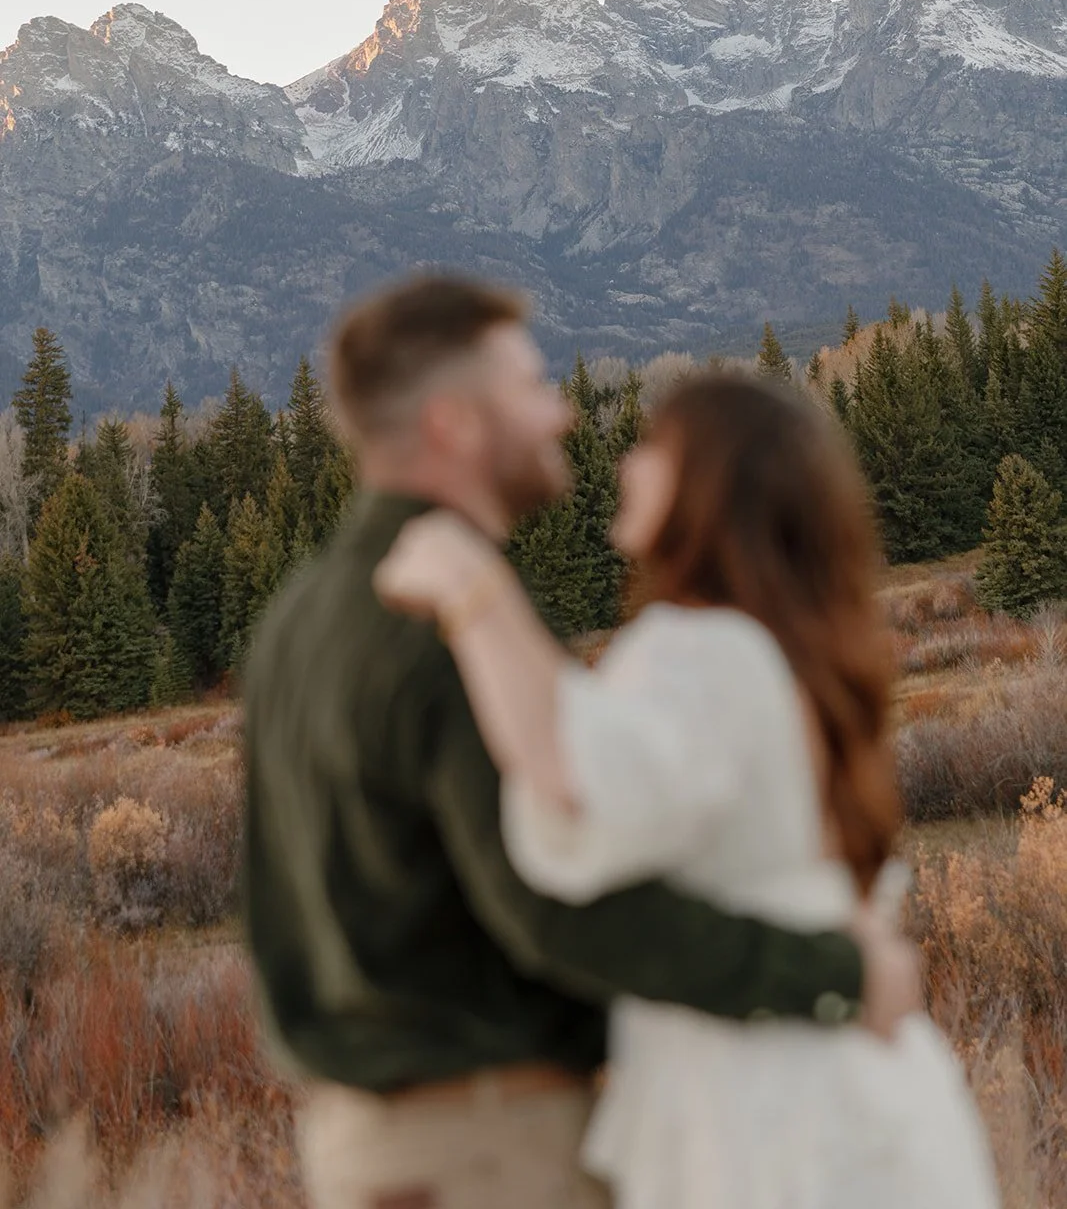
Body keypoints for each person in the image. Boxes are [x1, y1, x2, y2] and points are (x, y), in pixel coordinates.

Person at [242, 274, 920, 1209]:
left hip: (366, 1145)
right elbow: (555, 907)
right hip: (492, 1147)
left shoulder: (297, 615)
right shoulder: (439, 619)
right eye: (529, 385)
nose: (560, 413)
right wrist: (835, 972)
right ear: (452, 424)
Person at [375, 368, 1000, 1209]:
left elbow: (576, 782)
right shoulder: (784, 647)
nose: (626, 467)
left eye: (653, 449)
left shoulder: (699, 650)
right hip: (848, 1082)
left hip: (761, 1104)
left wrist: (474, 593)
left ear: (712, 484)